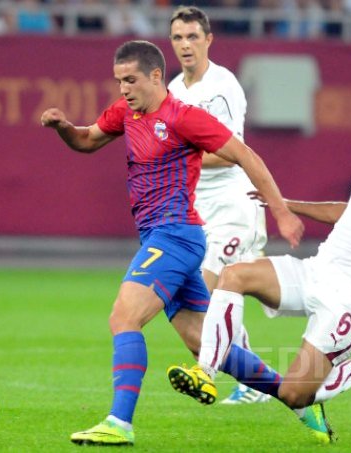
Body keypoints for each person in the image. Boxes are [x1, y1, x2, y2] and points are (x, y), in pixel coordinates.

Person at [40, 40, 304, 447]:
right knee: (203, 343)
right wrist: (63, 127)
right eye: (119, 80)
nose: (124, 88)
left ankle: (119, 422)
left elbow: (246, 155)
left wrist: (281, 211)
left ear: (155, 76)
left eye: (131, 80)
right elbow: (87, 140)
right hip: (163, 235)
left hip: (175, 234)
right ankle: (299, 400)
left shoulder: (184, 117)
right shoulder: (125, 112)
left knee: (124, 317)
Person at [168, 97, 351, 444]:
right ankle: (205, 373)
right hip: (314, 271)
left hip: (346, 299)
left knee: (294, 395)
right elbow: (347, 213)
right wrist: (287, 205)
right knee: (234, 275)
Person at [168, 5, 269, 404]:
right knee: (211, 295)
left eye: (193, 36)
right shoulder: (174, 90)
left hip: (232, 206)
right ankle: (254, 381)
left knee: (209, 291)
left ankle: (206, 373)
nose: (186, 45)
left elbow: (230, 154)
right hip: (198, 208)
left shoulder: (222, 86)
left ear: (208, 40)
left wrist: (177, 156)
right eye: (178, 37)